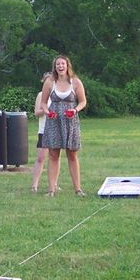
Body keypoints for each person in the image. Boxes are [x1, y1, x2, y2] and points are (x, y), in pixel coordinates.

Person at [41, 55, 88, 197]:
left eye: (63, 64)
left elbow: (83, 101)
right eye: (58, 64)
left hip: (70, 121)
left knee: (72, 154)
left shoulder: (76, 82)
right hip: (54, 121)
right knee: (53, 155)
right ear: (55, 67)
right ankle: (51, 190)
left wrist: (75, 110)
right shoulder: (49, 82)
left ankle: (78, 189)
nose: (60, 66)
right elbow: (43, 102)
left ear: (67, 66)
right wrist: (47, 112)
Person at [30, 73, 52, 193]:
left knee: (54, 158)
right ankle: (34, 185)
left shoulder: (57, 95)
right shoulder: (41, 95)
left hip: (55, 130)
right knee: (41, 157)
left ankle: (53, 184)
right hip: (43, 130)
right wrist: (46, 110)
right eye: (46, 81)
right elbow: (36, 112)